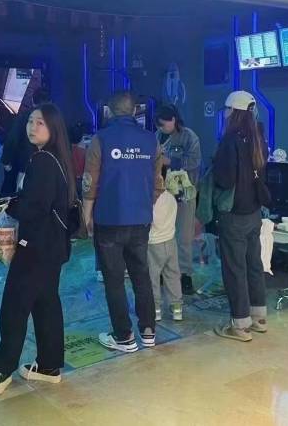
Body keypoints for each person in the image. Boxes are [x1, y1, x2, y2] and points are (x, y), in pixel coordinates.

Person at [0, 103, 75, 397]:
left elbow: (35, 206)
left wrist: (11, 205)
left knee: (14, 305)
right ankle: (48, 365)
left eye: (40, 123)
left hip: (34, 246)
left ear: (53, 128)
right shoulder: (57, 157)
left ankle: (2, 369)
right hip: (53, 246)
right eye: (31, 121)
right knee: (46, 303)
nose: (32, 127)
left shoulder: (43, 160)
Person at [83, 92, 164, 353]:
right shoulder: (151, 140)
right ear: (135, 111)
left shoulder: (100, 139)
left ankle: (124, 336)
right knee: (142, 275)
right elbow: (158, 183)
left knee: (114, 280)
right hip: (140, 220)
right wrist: (144, 205)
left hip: (109, 219)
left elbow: (90, 182)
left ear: (109, 111)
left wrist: (87, 215)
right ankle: (148, 331)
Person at [212, 91, 271, 342]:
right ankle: (259, 318)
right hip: (254, 212)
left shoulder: (230, 140)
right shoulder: (258, 137)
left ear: (233, 112)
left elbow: (225, 180)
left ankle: (240, 325)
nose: (225, 114)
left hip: (234, 213)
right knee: (254, 265)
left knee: (235, 269)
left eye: (227, 109)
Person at [155, 105, 202, 295]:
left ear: (173, 119)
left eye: (163, 123)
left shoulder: (189, 137)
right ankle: (163, 271)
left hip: (184, 194)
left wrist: (170, 161)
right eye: (158, 125)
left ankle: (185, 275)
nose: (160, 127)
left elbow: (194, 162)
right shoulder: (158, 137)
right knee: (161, 235)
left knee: (183, 237)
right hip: (162, 194)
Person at [148, 168, 184, 322]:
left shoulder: (150, 199)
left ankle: (155, 308)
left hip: (153, 244)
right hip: (170, 241)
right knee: (173, 274)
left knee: (152, 276)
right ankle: (177, 308)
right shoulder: (170, 197)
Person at [2, 88, 50, 191]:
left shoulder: (26, 116)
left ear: (32, 100)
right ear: (49, 101)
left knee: (23, 195)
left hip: (27, 165)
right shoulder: (54, 119)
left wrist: (6, 160)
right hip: (48, 167)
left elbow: (12, 138)